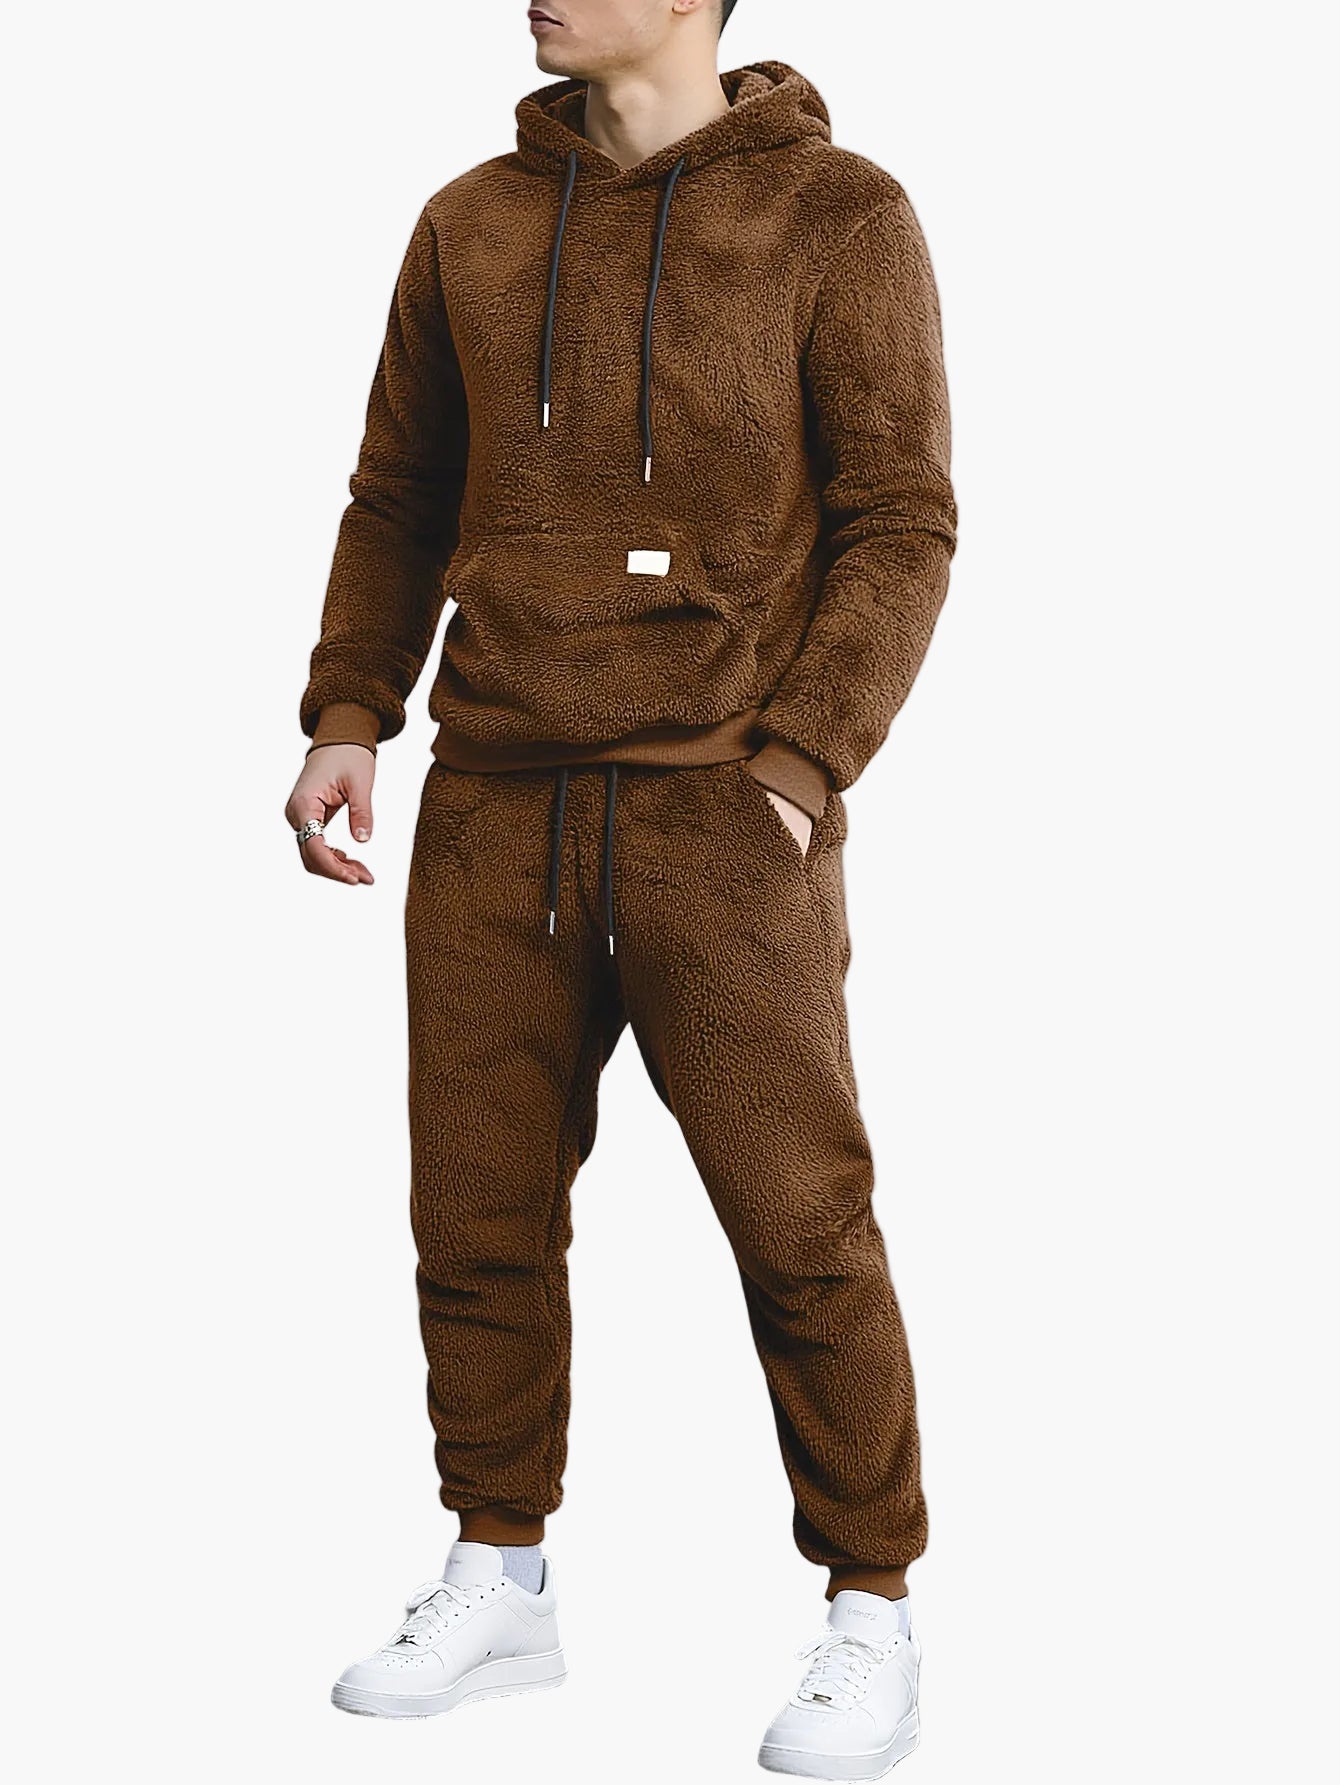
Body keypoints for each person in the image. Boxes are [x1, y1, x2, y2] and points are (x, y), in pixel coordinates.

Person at [285, 1, 956, 1774]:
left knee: (800, 1218)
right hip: (493, 797)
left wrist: (801, 766)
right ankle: (499, 1566)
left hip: (717, 807)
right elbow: (399, 493)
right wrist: (349, 710)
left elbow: (902, 518)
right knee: (476, 1207)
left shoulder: (841, 214)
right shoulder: (470, 222)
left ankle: (872, 1606)